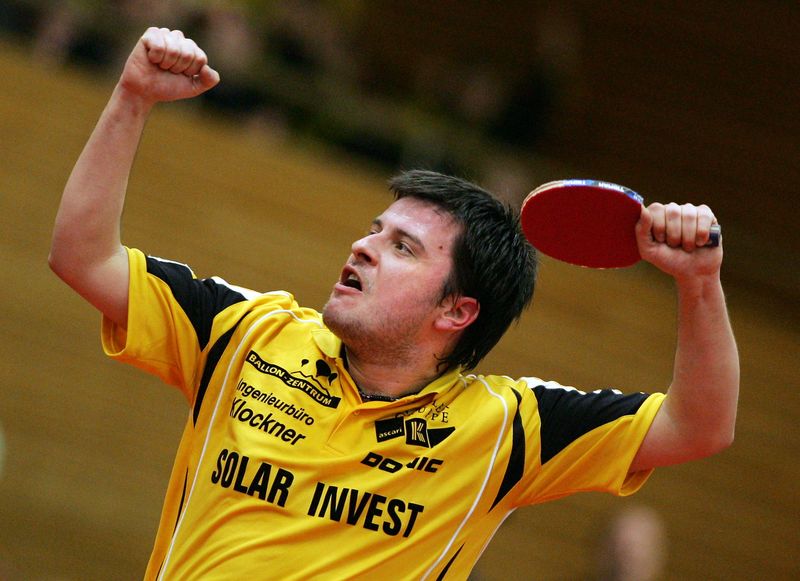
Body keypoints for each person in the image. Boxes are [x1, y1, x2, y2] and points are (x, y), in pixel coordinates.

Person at [49, 28, 739, 580]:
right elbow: (82, 258)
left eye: (402, 247)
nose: (363, 246)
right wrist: (131, 98)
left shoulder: (506, 429)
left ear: (457, 311)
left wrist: (699, 283)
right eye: (375, 230)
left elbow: (698, 426)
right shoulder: (245, 333)